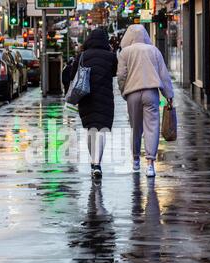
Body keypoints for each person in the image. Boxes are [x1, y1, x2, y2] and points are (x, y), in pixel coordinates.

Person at [117, 24, 174, 178]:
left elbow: (121, 75)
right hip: (151, 92)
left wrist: (124, 92)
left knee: (136, 128)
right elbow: (163, 74)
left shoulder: (125, 53)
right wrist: (168, 95)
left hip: (132, 93)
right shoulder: (154, 51)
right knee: (152, 127)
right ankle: (150, 164)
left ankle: (136, 160)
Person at [71, 29, 118, 179]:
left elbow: (72, 76)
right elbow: (115, 72)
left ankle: (94, 162)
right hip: (105, 98)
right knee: (102, 130)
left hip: (86, 97)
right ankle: (97, 163)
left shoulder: (82, 56)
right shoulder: (111, 56)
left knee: (91, 129)